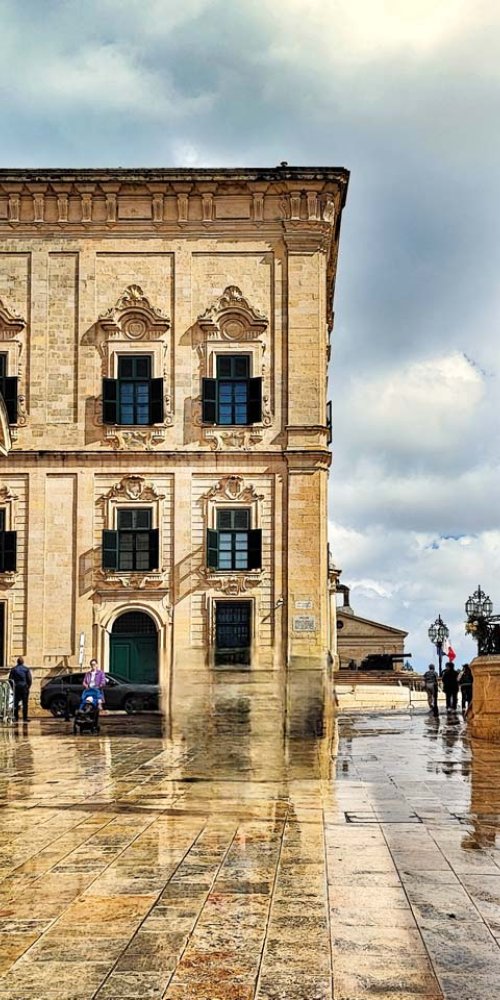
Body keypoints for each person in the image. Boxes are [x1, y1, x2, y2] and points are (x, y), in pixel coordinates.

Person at [9, 656, 32, 723]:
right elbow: (29, 679)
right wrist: (28, 687)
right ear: (23, 662)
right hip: (24, 688)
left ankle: (16, 717)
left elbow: (10, 679)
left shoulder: (13, 669)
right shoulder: (26, 669)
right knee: (25, 703)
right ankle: (25, 718)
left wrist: (13, 687)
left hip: (16, 688)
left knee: (15, 703)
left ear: (17, 662)